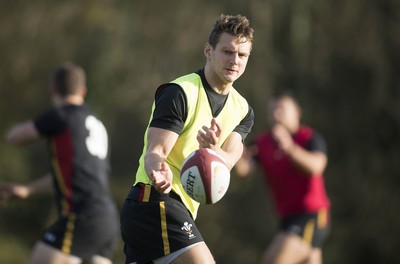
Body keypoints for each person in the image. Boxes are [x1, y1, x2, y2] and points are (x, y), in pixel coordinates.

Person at [120, 14, 255, 264]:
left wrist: (214, 150)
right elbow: (155, 151)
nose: (234, 61)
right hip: (153, 201)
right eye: (227, 51)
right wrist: (157, 172)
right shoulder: (180, 93)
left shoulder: (243, 110)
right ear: (208, 50)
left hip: (177, 211)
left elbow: (228, 160)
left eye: (242, 55)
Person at [0, 62, 119, 264]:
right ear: (83, 91)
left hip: (81, 216)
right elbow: (74, 174)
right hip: (107, 221)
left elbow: (14, 137)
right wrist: (28, 189)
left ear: (53, 90)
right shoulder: (96, 122)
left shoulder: (61, 116)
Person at [235, 91, 331, 264]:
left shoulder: (309, 138)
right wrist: (235, 156)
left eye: (281, 109)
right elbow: (244, 171)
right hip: (288, 217)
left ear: (297, 113)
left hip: (311, 216)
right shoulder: (262, 143)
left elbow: (317, 167)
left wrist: (290, 148)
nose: (276, 114)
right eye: (272, 110)